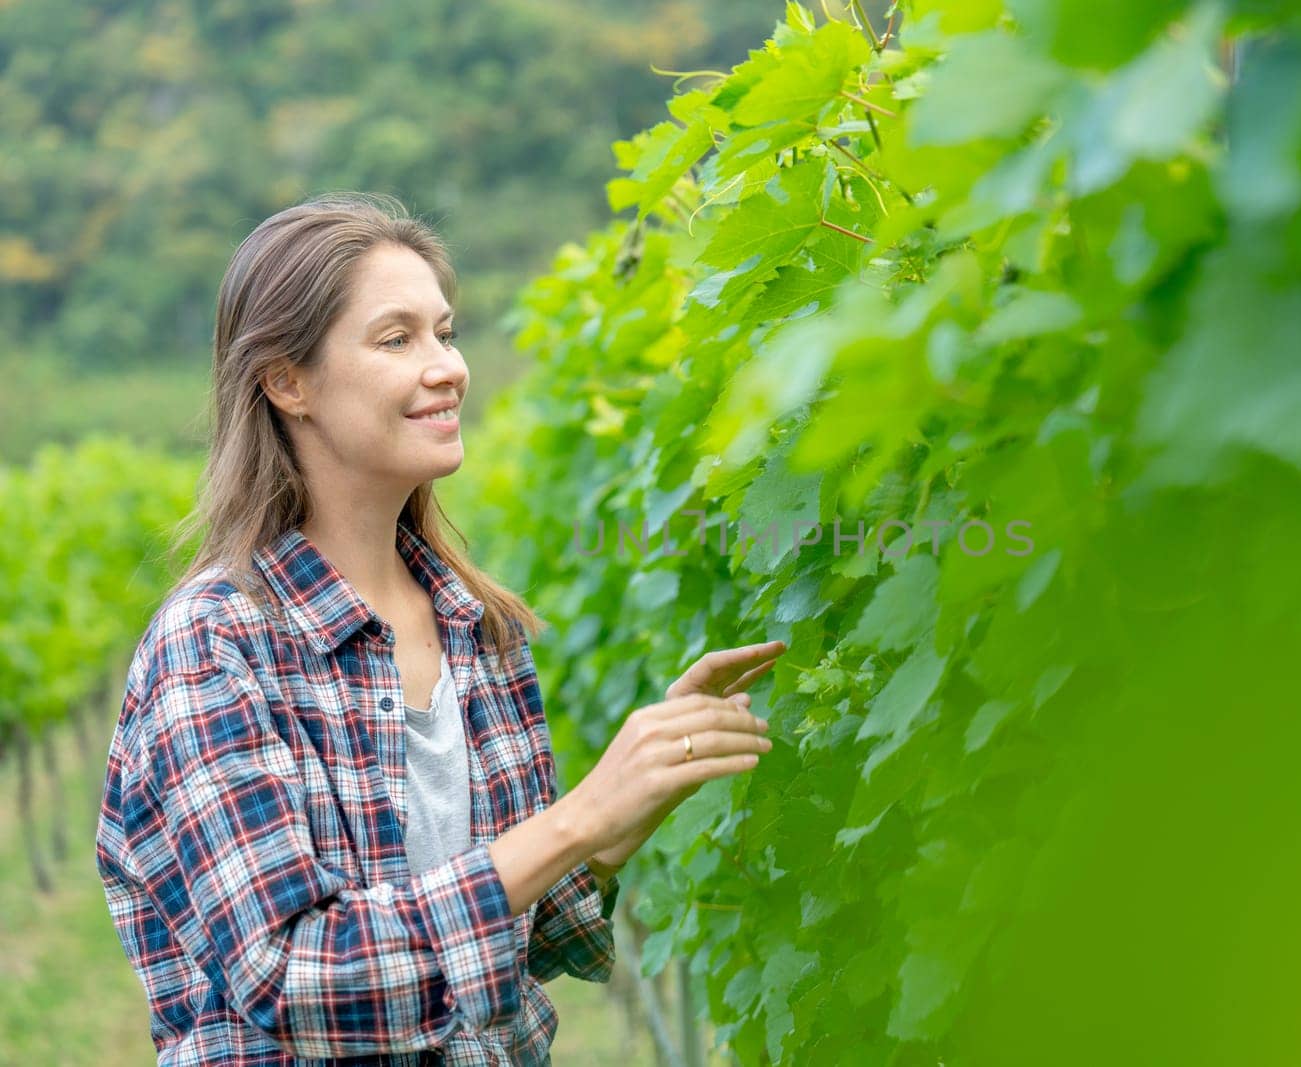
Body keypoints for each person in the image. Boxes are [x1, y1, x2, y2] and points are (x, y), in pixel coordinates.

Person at [94, 191, 785, 1066]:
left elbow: (519, 934)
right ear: (286, 380)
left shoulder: (476, 629)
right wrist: (578, 818)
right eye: (397, 338)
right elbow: (291, 979)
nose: (448, 366)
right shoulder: (216, 644)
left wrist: (636, 795)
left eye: (446, 333)